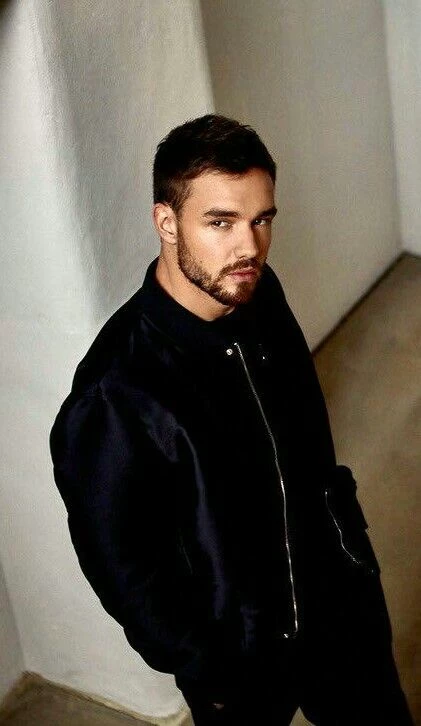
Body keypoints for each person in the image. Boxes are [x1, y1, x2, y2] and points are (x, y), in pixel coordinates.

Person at [49, 114, 413, 725]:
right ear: (166, 222)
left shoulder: (258, 292)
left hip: (337, 605)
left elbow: (309, 438)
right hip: (237, 658)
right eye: (220, 222)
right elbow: (122, 565)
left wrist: (345, 546)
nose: (249, 247)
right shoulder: (116, 391)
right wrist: (203, 662)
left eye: (261, 219)